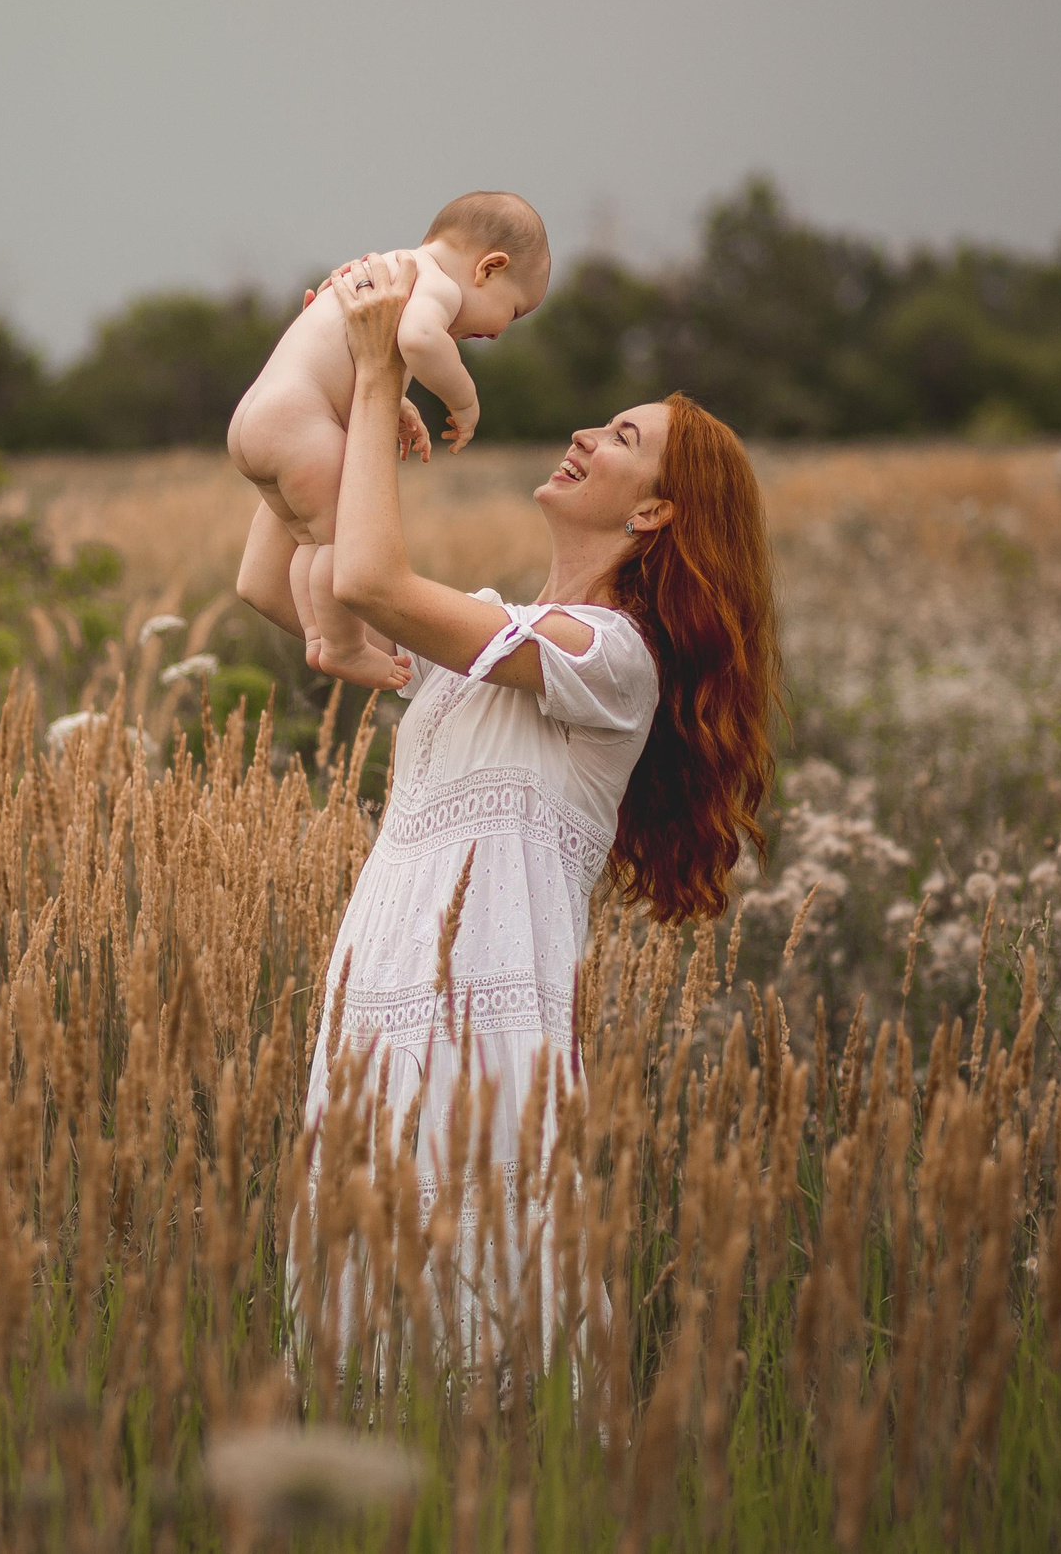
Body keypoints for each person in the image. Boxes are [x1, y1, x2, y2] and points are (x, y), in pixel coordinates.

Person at [290, 249, 780, 1371]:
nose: (584, 437)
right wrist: (311, 391)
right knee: (361, 1300)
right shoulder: (494, 632)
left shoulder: (612, 658)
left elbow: (371, 585)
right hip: (381, 986)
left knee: (475, 1295)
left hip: (477, 1011)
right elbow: (291, 588)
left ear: (656, 510)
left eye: (621, 439)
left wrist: (378, 380)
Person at [228, 192, 551, 691]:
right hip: (300, 424)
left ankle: (320, 637)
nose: (502, 331)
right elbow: (420, 341)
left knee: (317, 542)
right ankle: (343, 646)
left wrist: (395, 402)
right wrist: (464, 401)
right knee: (340, 542)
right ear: (488, 268)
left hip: (257, 422)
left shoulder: (382, 272)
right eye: (513, 310)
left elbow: (348, 359)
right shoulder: (437, 286)